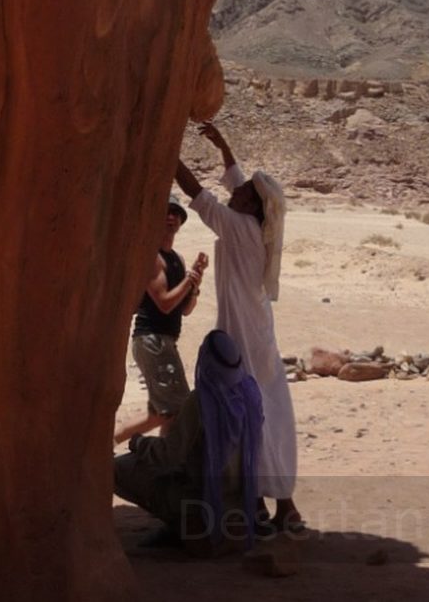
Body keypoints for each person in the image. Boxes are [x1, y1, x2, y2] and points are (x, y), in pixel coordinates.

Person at [174, 121, 302, 533]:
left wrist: (166, 158)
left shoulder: (240, 228)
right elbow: (235, 182)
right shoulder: (252, 224)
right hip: (254, 334)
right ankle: (272, 506)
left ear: (252, 206)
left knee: (254, 417)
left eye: (244, 193)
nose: (237, 190)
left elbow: (199, 196)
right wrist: (223, 145)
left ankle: (277, 507)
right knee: (263, 415)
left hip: (247, 341)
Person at [113, 329, 265, 550]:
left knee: (116, 469)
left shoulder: (204, 401)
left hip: (202, 502)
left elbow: (168, 455)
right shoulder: (250, 393)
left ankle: (182, 526)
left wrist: (139, 444)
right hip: (240, 503)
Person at [115, 201, 207, 443]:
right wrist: (189, 280)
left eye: (177, 214)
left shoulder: (177, 259)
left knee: (157, 414)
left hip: (163, 341)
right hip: (152, 340)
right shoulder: (153, 259)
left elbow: (185, 309)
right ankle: (167, 464)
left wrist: (195, 286)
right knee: (179, 409)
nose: (172, 217)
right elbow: (164, 303)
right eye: (167, 212)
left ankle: (110, 441)